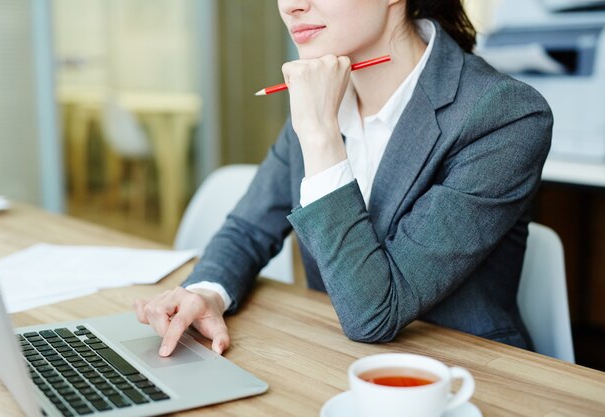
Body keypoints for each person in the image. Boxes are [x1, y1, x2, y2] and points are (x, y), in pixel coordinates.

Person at [134, 0, 552, 358]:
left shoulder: (505, 115)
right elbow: (248, 228)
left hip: (469, 375)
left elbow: (376, 312)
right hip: (340, 358)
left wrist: (320, 135)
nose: (291, 5)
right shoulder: (322, 94)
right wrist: (207, 292)